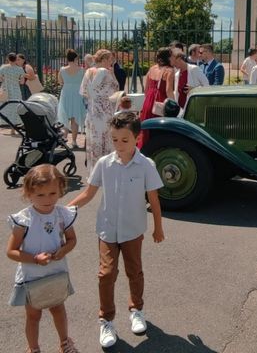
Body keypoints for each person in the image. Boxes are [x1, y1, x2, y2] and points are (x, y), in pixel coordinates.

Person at [67, 112, 165, 349]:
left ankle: (136, 310)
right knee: (106, 274)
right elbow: (88, 194)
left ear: (137, 138)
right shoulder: (104, 164)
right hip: (107, 230)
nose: (119, 145)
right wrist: (64, 209)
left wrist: (158, 228)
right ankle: (106, 320)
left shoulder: (146, 165)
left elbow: (154, 199)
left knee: (135, 271)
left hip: (133, 230)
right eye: (114, 140)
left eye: (125, 140)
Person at [7, 164, 79, 353]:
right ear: (29, 194)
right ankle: (33, 348)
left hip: (55, 273)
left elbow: (72, 240)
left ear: (61, 190)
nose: (47, 199)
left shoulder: (62, 214)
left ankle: (65, 342)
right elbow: (11, 251)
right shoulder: (24, 219)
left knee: (58, 310)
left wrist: (63, 251)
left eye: (52, 193)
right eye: (40, 195)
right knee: (33, 315)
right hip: (32, 276)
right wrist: (34, 259)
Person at [80, 49, 119, 174]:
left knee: (94, 141)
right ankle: (106, 170)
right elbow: (115, 89)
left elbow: (83, 92)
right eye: (109, 59)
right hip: (104, 110)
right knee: (105, 140)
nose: (111, 62)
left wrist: (94, 97)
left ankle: (94, 170)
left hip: (92, 111)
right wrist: (112, 74)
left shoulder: (88, 71)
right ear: (103, 60)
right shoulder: (105, 72)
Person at [137, 47, 175, 148]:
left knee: (146, 129)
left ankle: (144, 149)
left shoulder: (152, 68)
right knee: (159, 129)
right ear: (168, 57)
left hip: (149, 100)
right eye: (171, 55)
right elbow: (168, 90)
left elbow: (146, 89)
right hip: (160, 101)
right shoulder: (169, 71)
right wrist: (174, 104)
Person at [57, 49, 86, 149]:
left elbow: (60, 82)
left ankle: (64, 140)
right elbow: (84, 83)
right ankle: (74, 141)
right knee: (75, 118)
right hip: (77, 94)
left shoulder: (62, 69)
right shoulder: (81, 70)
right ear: (75, 58)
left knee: (65, 117)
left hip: (66, 93)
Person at [0, 52, 26, 133]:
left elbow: (0, 79)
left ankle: (6, 123)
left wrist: (5, 80)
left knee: (4, 107)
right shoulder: (20, 69)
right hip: (15, 90)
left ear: (8, 59)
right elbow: (22, 82)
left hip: (5, 89)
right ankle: (13, 128)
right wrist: (15, 80)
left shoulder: (3, 68)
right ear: (16, 59)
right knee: (15, 108)